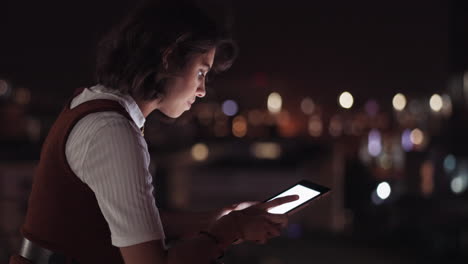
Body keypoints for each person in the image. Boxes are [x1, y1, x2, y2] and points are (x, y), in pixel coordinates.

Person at [10, 1, 299, 264]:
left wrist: (220, 218)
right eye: (201, 72)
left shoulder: (91, 104)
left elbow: (132, 223)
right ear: (169, 58)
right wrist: (231, 229)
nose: (202, 90)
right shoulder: (112, 132)